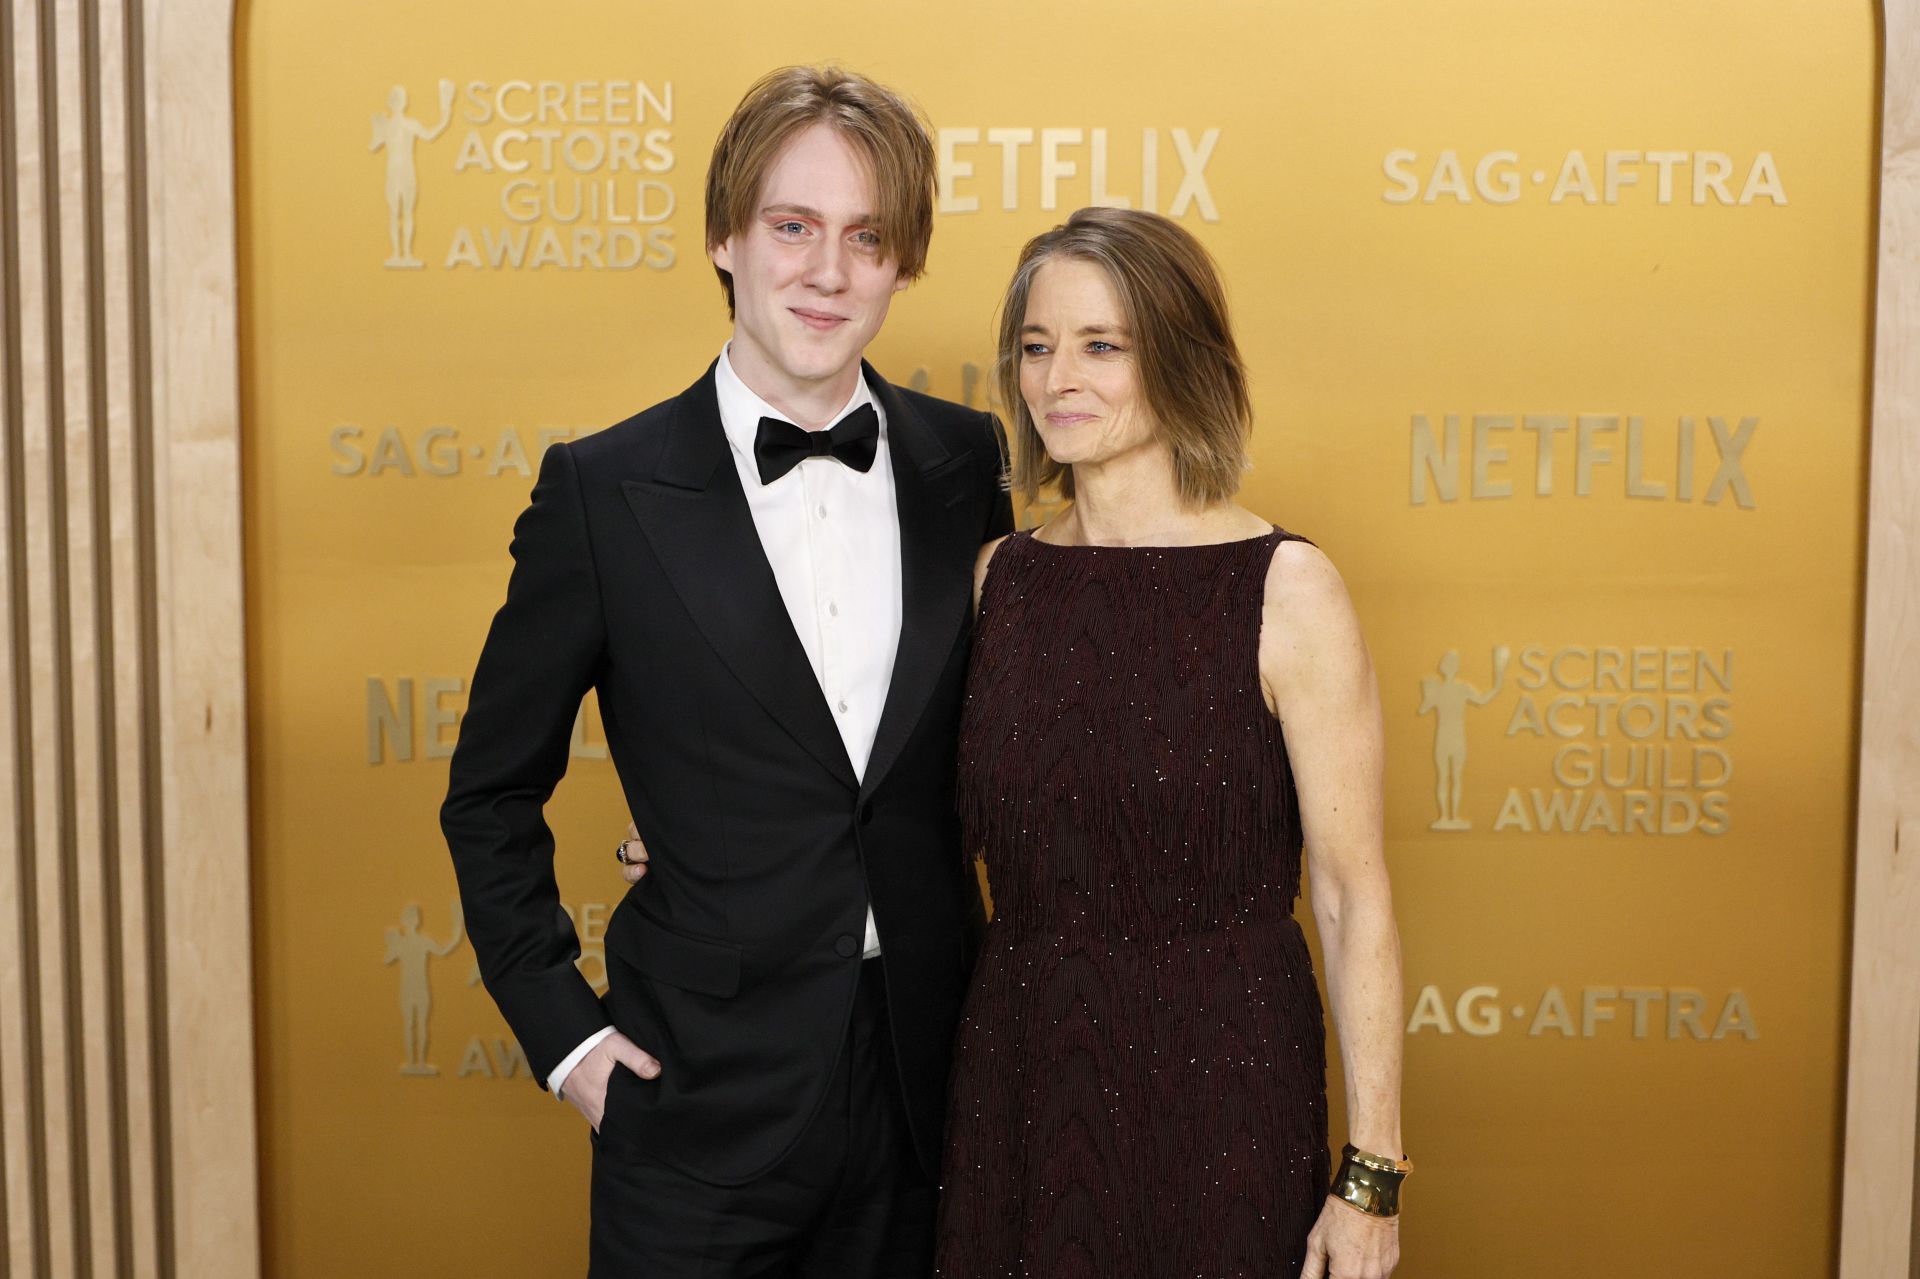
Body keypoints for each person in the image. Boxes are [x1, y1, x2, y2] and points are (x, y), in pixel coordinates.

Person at [441, 65, 1012, 1277]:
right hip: (693, 1107)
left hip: (929, 1091)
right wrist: (568, 1042)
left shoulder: (968, 463)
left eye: (867, 238)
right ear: (724, 236)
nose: (827, 271)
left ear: (903, 262)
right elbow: (488, 795)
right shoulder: (601, 492)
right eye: (792, 226)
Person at [936, 206, 1406, 1279]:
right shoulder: (995, 582)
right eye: (1038, 346)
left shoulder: (1286, 590)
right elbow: (904, 820)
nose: (1062, 377)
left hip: (1226, 1087)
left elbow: (1350, 892)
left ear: (1181, 360)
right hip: (1019, 1073)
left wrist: (1369, 1175)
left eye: (1103, 345)